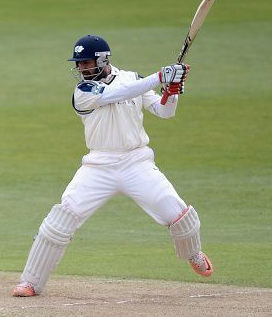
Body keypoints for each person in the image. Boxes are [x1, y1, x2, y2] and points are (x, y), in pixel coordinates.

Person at [12, 35, 213, 297]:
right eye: (79, 64)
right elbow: (118, 94)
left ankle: (193, 253)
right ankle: (30, 282)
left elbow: (164, 112)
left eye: (87, 63)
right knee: (60, 219)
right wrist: (159, 77)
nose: (82, 69)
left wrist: (171, 90)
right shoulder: (83, 92)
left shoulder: (132, 78)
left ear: (103, 59)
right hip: (98, 166)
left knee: (179, 215)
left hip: (136, 162)